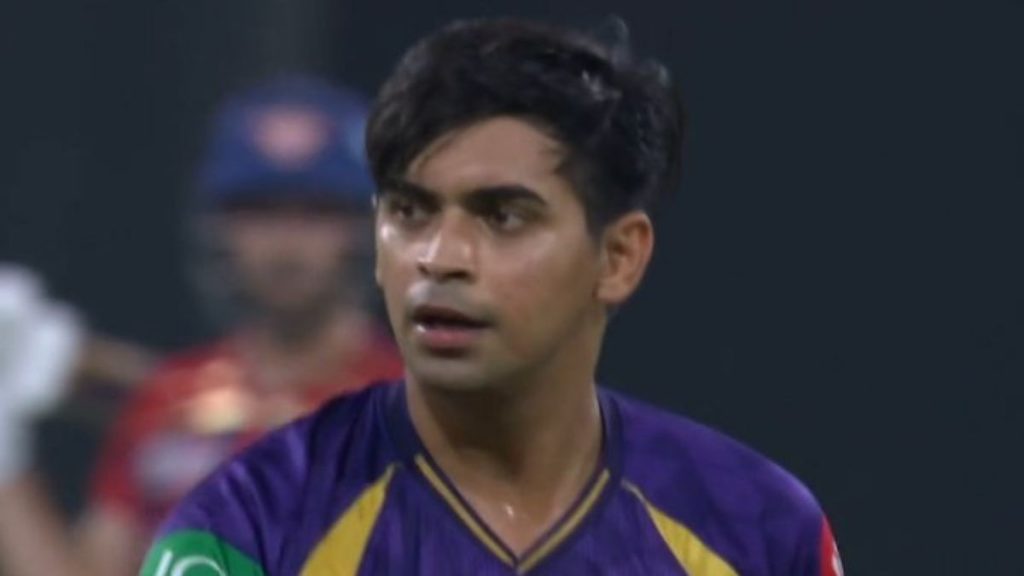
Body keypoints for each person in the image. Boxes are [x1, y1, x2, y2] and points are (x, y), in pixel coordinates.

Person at [141, 19, 844, 575]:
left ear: (619, 257)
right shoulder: (247, 528)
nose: (440, 257)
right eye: (411, 212)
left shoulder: (757, 528)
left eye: (503, 216)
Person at [0, 76, 402, 576]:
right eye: (259, 212)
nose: (286, 244)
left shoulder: (419, 404)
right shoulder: (165, 400)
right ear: (219, 229)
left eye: (316, 212)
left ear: (365, 227)